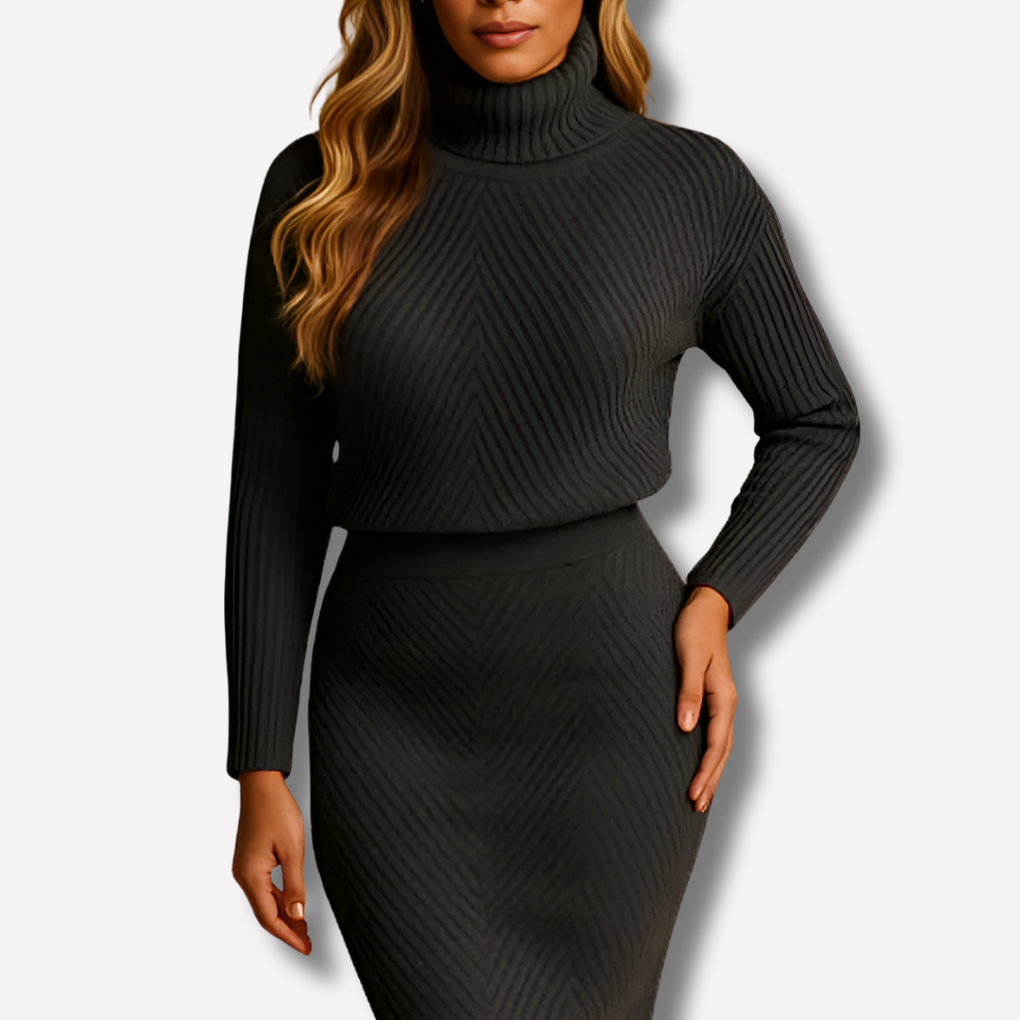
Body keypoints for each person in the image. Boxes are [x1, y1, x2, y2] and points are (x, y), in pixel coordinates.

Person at [225, 0, 860, 1016]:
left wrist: (718, 597)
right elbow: (272, 486)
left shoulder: (690, 186)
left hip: (618, 725)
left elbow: (817, 418)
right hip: (391, 730)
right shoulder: (319, 187)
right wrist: (260, 763)